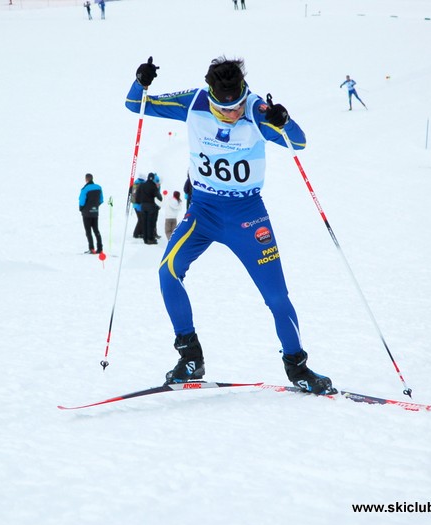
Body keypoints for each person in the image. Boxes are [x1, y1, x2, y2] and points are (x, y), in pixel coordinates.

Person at [125, 56, 334, 394]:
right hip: (203, 211)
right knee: (168, 271)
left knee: (277, 297)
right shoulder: (193, 102)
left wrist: (284, 120)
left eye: (237, 106)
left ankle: (298, 367)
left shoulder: (256, 112)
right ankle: (190, 356)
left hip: (247, 216)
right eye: (225, 110)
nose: (233, 114)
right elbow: (135, 104)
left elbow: (299, 143)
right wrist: (142, 81)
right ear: (210, 95)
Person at [79, 173, 104, 254]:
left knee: (88, 231)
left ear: (86, 179)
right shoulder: (99, 187)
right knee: (96, 230)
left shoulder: (84, 189)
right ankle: (100, 248)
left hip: (86, 213)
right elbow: (101, 200)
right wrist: (96, 206)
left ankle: (92, 248)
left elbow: (82, 201)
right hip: (95, 212)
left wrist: (81, 209)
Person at [134, 172, 162, 244]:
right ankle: (150, 239)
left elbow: (137, 196)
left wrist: (139, 202)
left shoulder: (142, 185)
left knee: (144, 222)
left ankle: (145, 238)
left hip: (143, 206)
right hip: (151, 206)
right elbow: (159, 197)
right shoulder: (153, 186)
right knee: (150, 223)